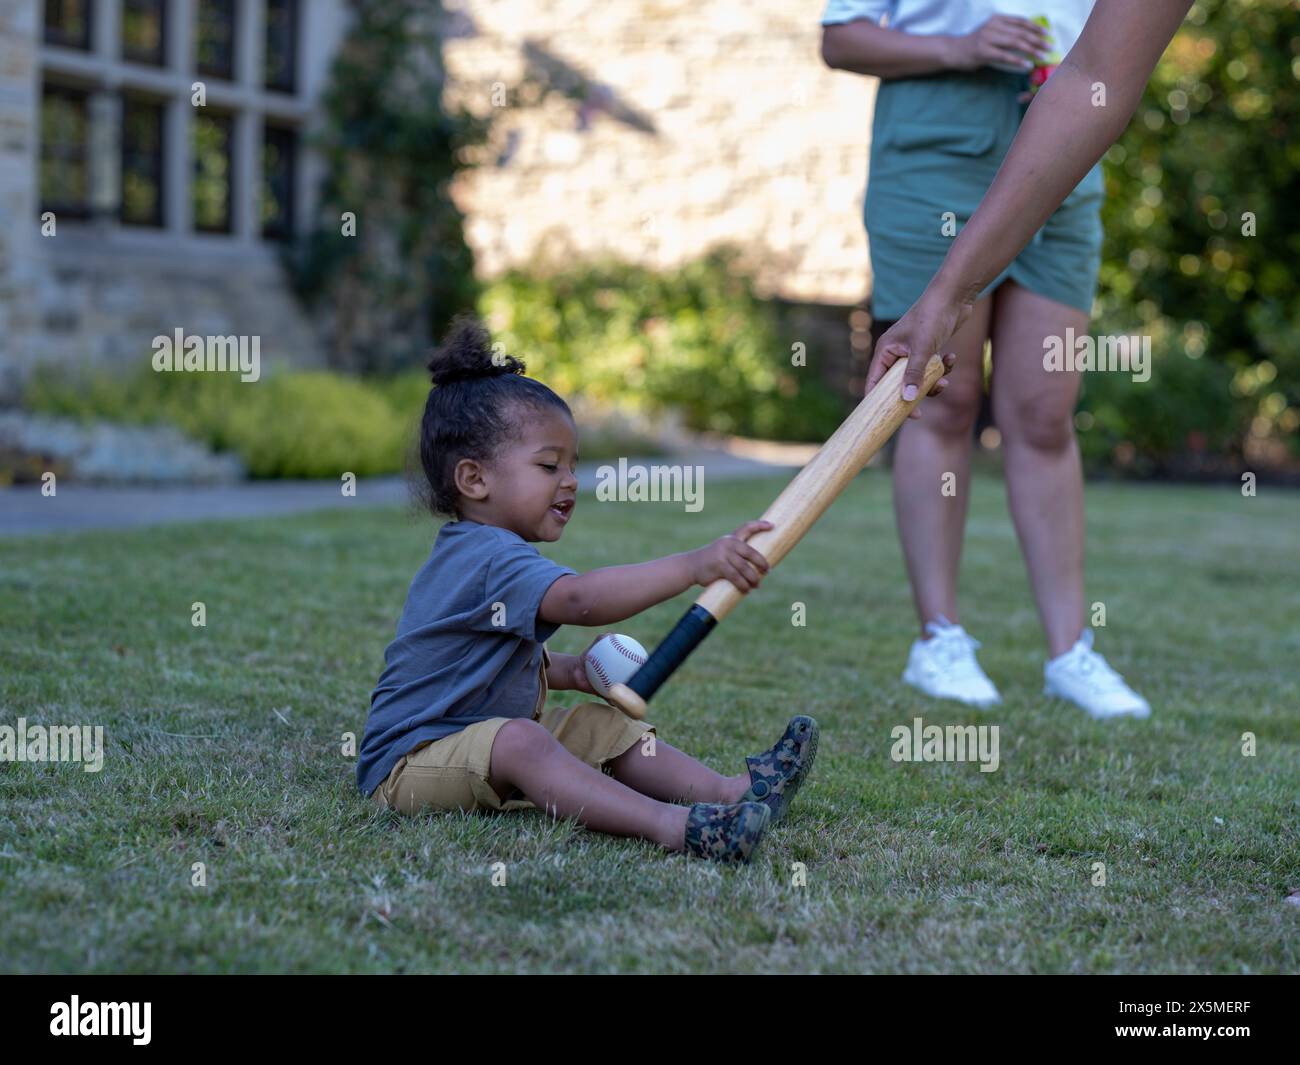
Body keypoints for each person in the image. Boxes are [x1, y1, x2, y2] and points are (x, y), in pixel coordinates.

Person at [356, 317, 820, 865]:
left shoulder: (486, 552)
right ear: (474, 480)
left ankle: (730, 793)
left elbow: (483, 656)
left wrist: (573, 673)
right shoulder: (485, 556)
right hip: (410, 764)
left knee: (596, 725)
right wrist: (694, 565)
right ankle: (680, 828)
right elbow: (579, 601)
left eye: (573, 466)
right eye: (549, 465)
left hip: (473, 740)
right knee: (523, 743)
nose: (570, 480)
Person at [822, 0, 1174, 718]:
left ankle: (1071, 650)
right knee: (940, 398)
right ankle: (940, 638)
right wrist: (963, 46)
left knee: (1045, 410)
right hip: (936, 144)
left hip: (1062, 135)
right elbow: (839, 39)